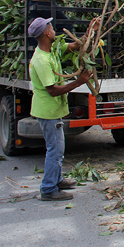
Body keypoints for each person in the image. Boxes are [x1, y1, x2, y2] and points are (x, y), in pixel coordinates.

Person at [28, 16, 99, 201]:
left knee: (58, 148)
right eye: (51, 26)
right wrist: (79, 82)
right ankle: (48, 189)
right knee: (55, 150)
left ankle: (57, 179)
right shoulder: (41, 60)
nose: (54, 28)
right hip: (48, 111)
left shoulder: (53, 49)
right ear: (46, 32)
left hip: (54, 110)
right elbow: (52, 90)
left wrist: (91, 29)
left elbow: (77, 46)